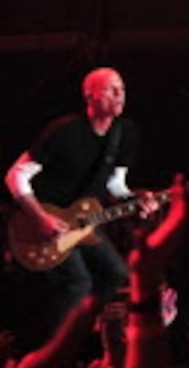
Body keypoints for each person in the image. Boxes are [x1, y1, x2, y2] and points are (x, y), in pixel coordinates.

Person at [7, 65, 140, 330]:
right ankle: (57, 350)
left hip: (84, 220)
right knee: (78, 282)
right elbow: (15, 175)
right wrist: (40, 218)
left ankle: (80, 331)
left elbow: (116, 186)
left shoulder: (124, 133)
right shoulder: (64, 131)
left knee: (116, 274)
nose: (119, 95)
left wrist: (138, 199)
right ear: (90, 96)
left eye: (122, 89)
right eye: (111, 89)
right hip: (47, 223)